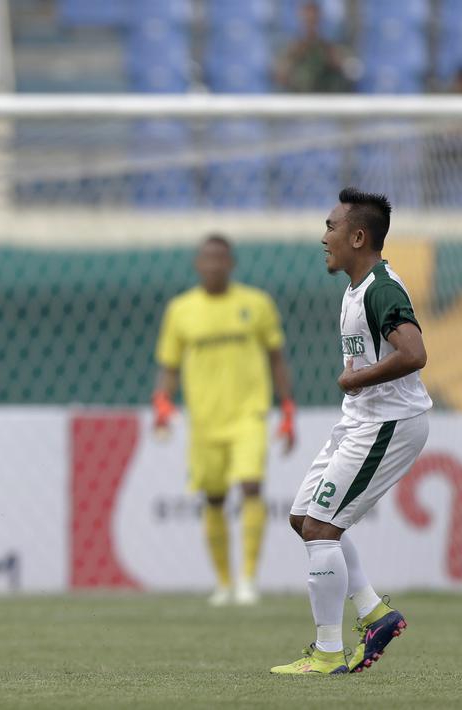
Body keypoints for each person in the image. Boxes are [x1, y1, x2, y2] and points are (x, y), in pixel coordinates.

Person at [270, 188, 431, 675]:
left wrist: (355, 378)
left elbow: (414, 353)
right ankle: (375, 614)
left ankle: (327, 654)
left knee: (322, 528)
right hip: (361, 419)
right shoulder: (357, 287)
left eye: (331, 227)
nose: (324, 238)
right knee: (304, 518)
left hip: (388, 422)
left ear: (358, 236)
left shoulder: (382, 287)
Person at [153, 235, 297, 606]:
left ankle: (248, 580)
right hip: (203, 419)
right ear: (198, 264)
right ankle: (223, 582)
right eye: (207, 258)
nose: (214, 265)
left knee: (251, 486)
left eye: (221, 258)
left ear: (231, 263)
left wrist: (288, 409)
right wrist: (162, 404)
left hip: (249, 413)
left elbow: (276, 357)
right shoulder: (181, 310)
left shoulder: (257, 303)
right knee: (213, 497)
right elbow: (169, 365)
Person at [275, 2, 352, 93]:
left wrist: (333, 57)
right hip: (297, 100)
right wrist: (294, 54)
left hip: (326, 99)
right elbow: (279, 77)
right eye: (307, 20)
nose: (310, 24)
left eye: (313, 20)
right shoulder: (290, 47)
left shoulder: (331, 46)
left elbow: (350, 70)